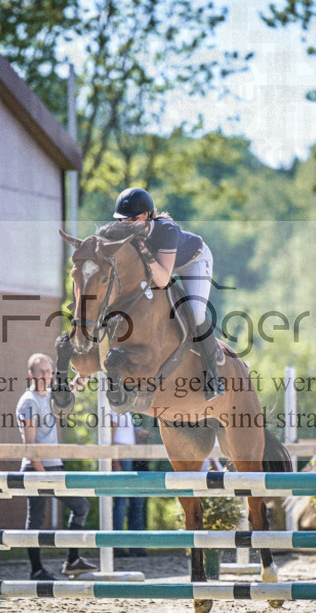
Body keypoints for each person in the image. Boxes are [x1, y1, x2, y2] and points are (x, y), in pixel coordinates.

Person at [113, 187, 224, 401]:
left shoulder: (166, 230)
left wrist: (143, 250)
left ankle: (214, 375)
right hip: (162, 265)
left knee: (196, 313)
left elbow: (163, 279)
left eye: (134, 218)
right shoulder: (124, 233)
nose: (128, 224)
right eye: (123, 220)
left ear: (147, 215)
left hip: (194, 261)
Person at [17, 353, 97, 580]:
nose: (46, 375)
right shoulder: (29, 401)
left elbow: (73, 388)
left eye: (49, 371)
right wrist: (41, 472)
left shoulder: (52, 395)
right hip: (36, 468)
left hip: (54, 466)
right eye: (41, 371)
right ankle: (36, 570)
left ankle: (72, 560)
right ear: (31, 374)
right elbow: (29, 443)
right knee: (36, 519)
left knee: (81, 506)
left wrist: (86, 372)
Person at [111, 411, 147, 558]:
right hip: (122, 455)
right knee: (121, 502)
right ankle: (117, 546)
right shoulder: (113, 409)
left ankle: (135, 546)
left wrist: (139, 432)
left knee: (135, 501)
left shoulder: (125, 410)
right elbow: (111, 437)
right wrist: (115, 461)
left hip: (129, 455)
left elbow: (126, 431)